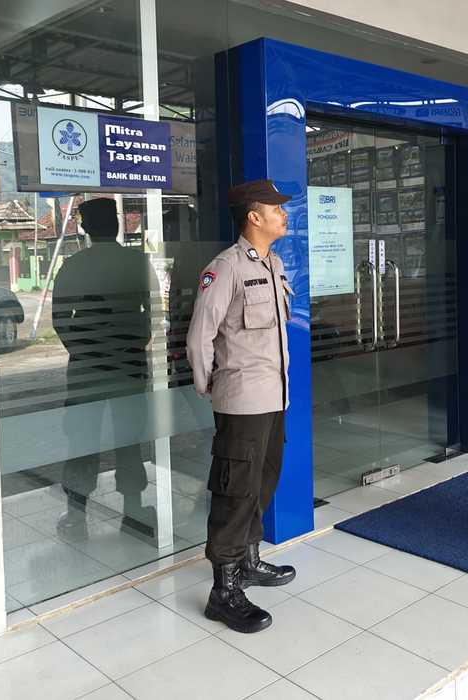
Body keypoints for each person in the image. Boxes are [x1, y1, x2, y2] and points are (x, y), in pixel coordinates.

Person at [186, 179, 297, 634]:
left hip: (274, 396)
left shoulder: (274, 264)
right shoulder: (226, 268)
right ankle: (224, 591)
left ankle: (249, 561)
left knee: (262, 483)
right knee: (234, 493)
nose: (283, 214)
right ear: (254, 216)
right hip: (242, 400)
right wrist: (211, 386)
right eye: (276, 208)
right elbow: (200, 336)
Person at [52, 197, 158, 541]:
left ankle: (76, 515)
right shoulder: (137, 262)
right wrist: (135, 342)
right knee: (129, 438)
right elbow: (154, 310)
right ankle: (133, 510)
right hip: (129, 365)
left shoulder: (73, 266)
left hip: (87, 370)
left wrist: (84, 351)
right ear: (115, 225)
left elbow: (60, 319)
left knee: (82, 439)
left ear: (85, 227)